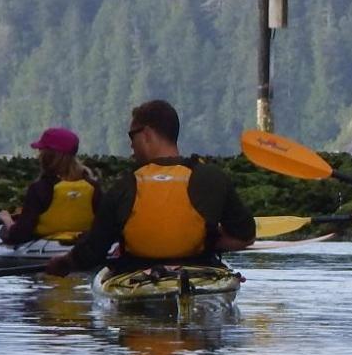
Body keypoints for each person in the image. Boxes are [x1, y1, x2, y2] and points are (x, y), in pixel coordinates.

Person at [47, 100, 256, 276]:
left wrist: (65, 263)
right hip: (198, 271)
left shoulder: (125, 186)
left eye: (132, 136)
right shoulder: (211, 177)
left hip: (136, 274)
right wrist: (211, 240)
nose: (131, 145)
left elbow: (93, 250)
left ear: (146, 134)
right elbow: (245, 236)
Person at [0, 126, 95, 247]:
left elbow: (19, 235)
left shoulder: (39, 188)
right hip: (84, 244)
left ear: (46, 156)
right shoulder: (92, 185)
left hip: (45, 248)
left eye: (41, 151)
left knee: (4, 232)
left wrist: (7, 219)